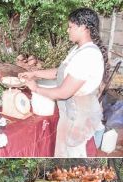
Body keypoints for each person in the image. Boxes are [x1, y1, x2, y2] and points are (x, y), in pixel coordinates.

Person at [19, 8, 109, 157]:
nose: (67, 30)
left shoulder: (88, 56)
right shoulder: (78, 50)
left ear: (83, 27)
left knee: (74, 156)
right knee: (63, 154)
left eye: (70, 26)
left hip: (78, 119)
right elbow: (60, 72)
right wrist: (34, 73)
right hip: (70, 115)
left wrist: (35, 88)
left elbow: (63, 92)